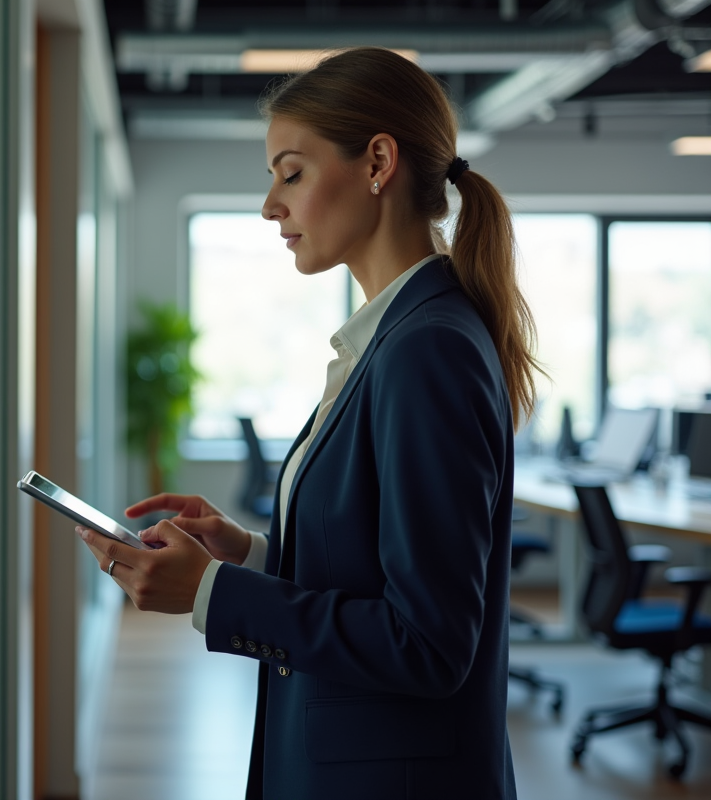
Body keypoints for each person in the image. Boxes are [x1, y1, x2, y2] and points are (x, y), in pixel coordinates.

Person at [77, 47, 541, 799]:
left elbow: (429, 644)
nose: (270, 206)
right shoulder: (393, 339)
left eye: (290, 174)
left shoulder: (427, 349)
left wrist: (211, 592)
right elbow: (372, 572)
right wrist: (251, 556)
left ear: (378, 163)